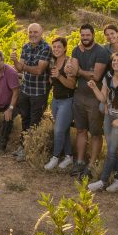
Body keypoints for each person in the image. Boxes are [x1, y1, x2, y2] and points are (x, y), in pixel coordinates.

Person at [87, 52, 118, 193]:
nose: (116, 63)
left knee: (111, 149)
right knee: (111, 148)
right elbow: (103, 99)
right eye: (114, 60)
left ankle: (102, 181)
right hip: (109, 117)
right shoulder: (108, 77)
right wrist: (94, 88)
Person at [67, 24, 111, 180]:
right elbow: (72, 71)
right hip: (79, 95)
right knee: (80, 130)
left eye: (87, 35)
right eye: (82, 35)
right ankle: (79, 161)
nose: (85, 37)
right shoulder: (76, 50)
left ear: (93, 35)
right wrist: (81, 72)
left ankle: (92, 164)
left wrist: (78, 71)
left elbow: (96, 76)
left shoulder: (101, 52)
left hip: (94, 98)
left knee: (96, 133)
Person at [11, 23, 51, 162]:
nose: (32, 35)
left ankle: (30, 150)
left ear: (41, 33)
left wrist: (23, 66)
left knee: (35, 122)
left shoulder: (46, 48)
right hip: (26, 89)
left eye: (35, 32)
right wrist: (15, 60)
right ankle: (23, 146)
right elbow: (19, 69)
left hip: (39, 92)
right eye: (30, 32)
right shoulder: (26, 46)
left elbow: (39, 71)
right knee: (25, 119)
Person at [44, 37, 76, 170]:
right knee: (64, 130)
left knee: (58, 130)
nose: (56, 49)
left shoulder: (69, 63)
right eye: (54, 47)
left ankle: (55, 157)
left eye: (59, 47)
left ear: (65, 48)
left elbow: (72, 85)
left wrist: (59, 76)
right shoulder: (53, 62)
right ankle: (69, 157)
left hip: (67, 101)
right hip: (56, 101)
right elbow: (52, 82)